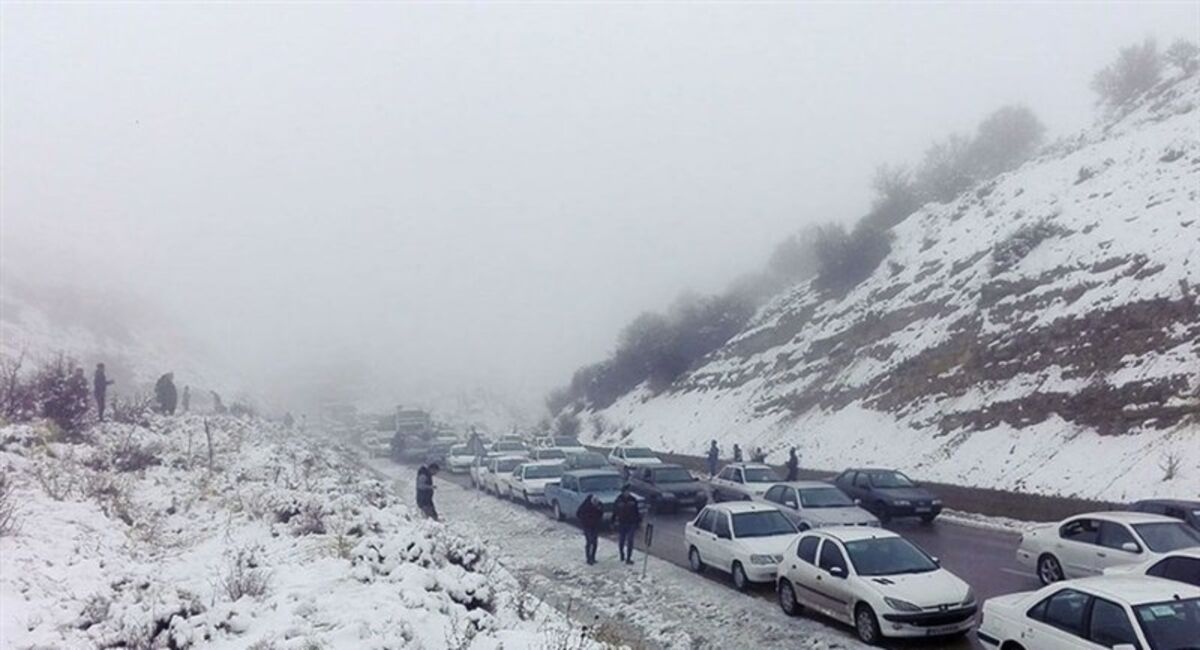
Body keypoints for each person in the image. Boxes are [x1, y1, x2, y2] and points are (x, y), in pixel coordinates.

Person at [613, 483, 641, 565]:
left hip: (631, 523)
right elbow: (615, 512)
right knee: (622, 540)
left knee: (630, 540)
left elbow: (637, 511)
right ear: (623, 492)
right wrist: (613, 521)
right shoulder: (618, 500)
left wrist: (638, 521)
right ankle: (622, 553)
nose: (627, 493)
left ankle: (628, 558)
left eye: (628, 491)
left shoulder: (633, 500)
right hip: (622, 523)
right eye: (626, 491)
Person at [576, 494, 603, 565]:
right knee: (589, 541)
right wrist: (584, 521)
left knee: (595, 542)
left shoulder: (599, 505)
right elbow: (578, 514)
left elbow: (600, 514)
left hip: (595, 526)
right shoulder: (585, 506)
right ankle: (588, 558)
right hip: (587, 526)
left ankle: (593, 557)